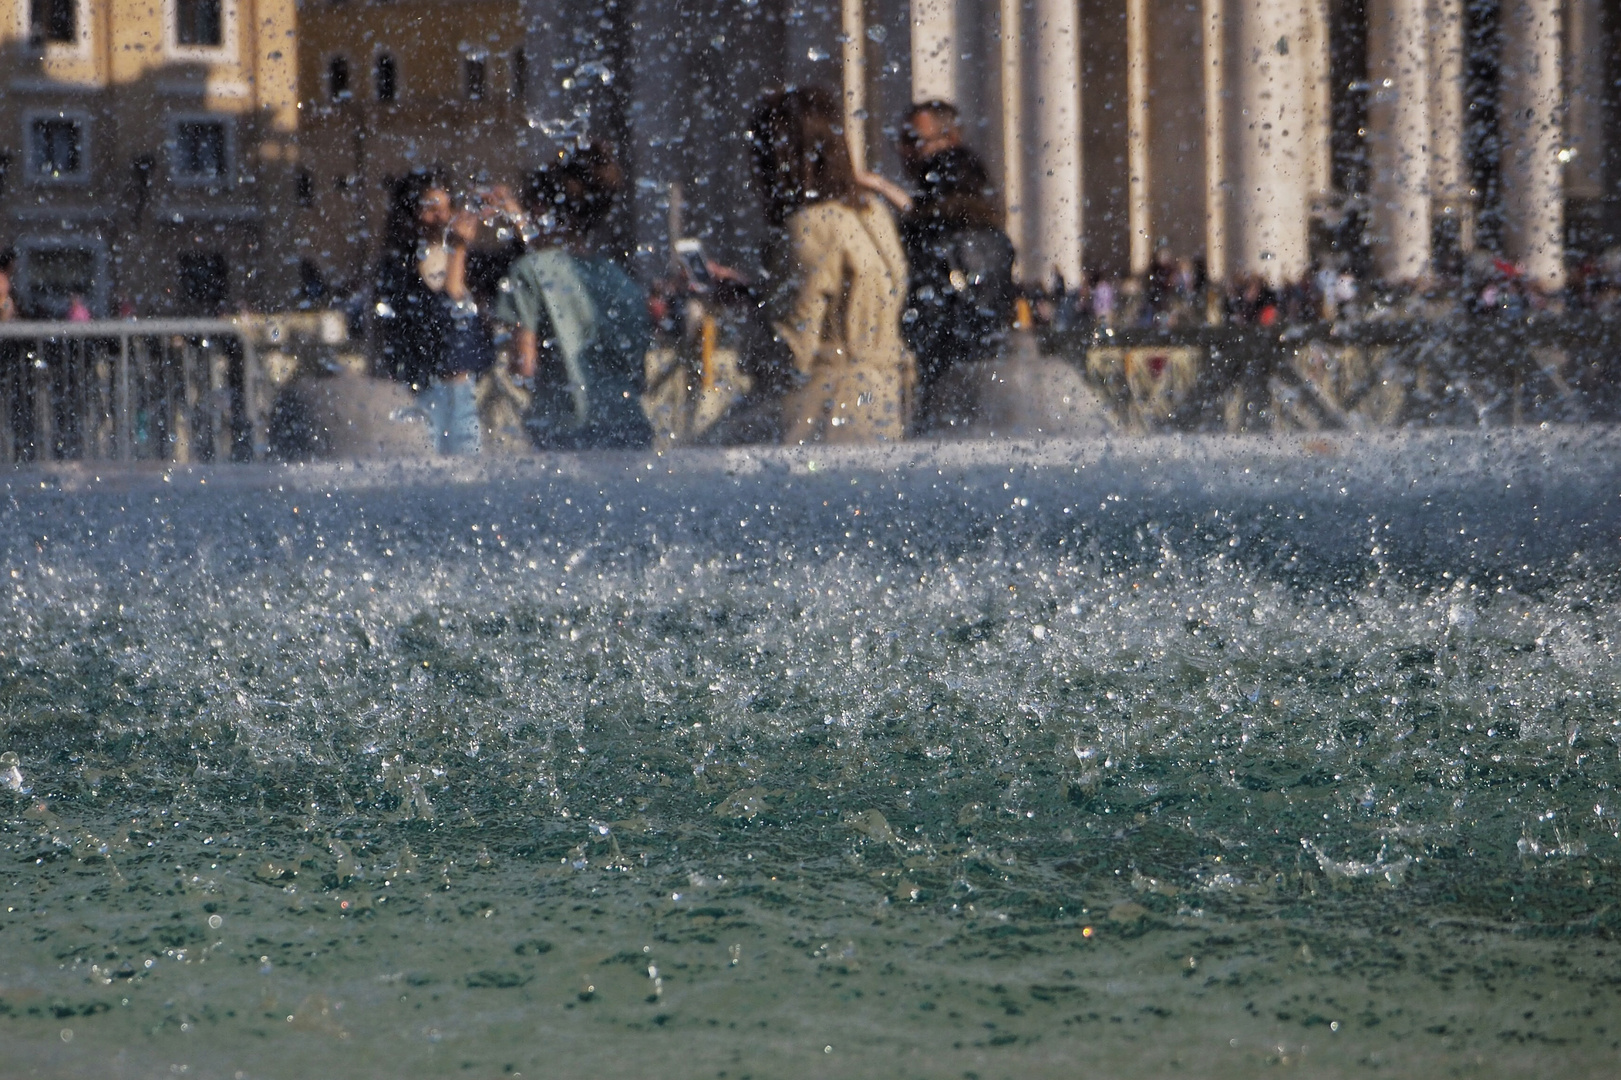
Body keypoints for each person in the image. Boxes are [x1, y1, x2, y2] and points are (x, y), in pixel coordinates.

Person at [749, 86, 915, 443]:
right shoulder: (873, 214)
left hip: (827, 410)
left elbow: (793, 348)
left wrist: (749, 326)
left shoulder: (810, 224)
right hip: (879, 399)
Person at [863, 101, 1014, 430]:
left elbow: (923, 315)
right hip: (986, 372)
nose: (904, 152)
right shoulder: (992, 234)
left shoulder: (933, 233)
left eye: (914, 141)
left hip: (943, 373)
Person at [494, 141, 652, 449]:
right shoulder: (620, 279)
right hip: (630, 426)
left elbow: (523, 366)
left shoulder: (529, 271)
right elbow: (638, 374)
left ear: (543, 210)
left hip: (565, 427)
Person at [373, 167, 494, 456]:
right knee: (424, 473)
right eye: (430, 208)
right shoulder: (398, 266)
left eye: (445, 207)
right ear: (410, 213)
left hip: (465, 390)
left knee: (468, 478)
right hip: (420, 390)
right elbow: (446, 313)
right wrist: (458, 250)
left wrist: (515, 216)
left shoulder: (470, 258)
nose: (440, 216)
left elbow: (516, 267)